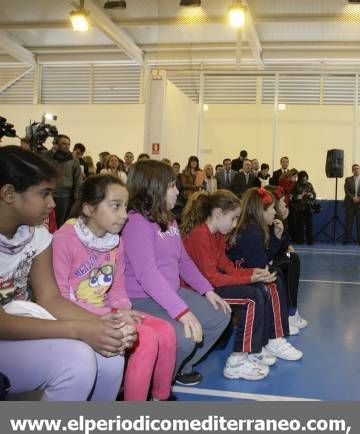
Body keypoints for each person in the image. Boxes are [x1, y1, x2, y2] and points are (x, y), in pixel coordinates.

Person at [0, 146, 131, 401]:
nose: (52, 204)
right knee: (77, 361)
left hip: (23, 324)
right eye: (44, 194)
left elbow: (50, 300)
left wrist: (105, 325)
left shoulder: (38, 236)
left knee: (111, 355)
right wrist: (80, 329)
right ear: (8, 194)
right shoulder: (59, 237)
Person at [52, 175, 176, 400]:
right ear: (89, 209)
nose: (124, 215)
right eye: (116, 206)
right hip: (76, 315)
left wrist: (122, 309)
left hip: (108, 311)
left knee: (166, 331)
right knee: (144, 338)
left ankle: (160, 398)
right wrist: (113, 315)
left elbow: (117, 289)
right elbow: (61, 297)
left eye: (126, 207)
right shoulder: (64, 239)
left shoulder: (115, 242)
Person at [122, 160, 231, 385]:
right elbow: (147, 274)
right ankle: (155, 380)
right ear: (154, 188)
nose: (178, 191)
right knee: (185, 336)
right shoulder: (136, 222)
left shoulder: (169, 219)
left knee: (220, 315)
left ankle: (179, 367)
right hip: (143, 299)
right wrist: (181, 311)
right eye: (172, 186)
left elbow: (183, 261)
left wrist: (207, 290)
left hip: (171, 292)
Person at [181, 190, 297, 380]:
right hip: (197, 292)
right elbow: (213, 279)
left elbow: (226, 266)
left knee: (259, 290)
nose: (235, 224)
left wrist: (253, 273)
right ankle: (236, 361)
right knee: (252, 297)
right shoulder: (200, 234)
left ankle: (253, 350)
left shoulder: (217, 234)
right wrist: (250, 278)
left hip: (210, 286)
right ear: (218, 214)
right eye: (233, 218)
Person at [227, 188, 304, 354]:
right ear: (260, 211)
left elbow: (276, 249)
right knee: (275, 280)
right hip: (244, 269)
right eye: (273, 208)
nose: (277, 211)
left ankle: (288, 316)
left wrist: (278, 236)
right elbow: (262, 261)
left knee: (289, 261)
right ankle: (276, 335)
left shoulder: (260, 226)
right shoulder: (252, 230)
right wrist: (277, 244)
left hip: (261, 261)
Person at [266, 186, 308, 331]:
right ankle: (291, 312)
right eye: (283, 202)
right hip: (268, 260)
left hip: (276, 256)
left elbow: (285, 243)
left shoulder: (277, 220)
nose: (285, 205)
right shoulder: (267, 221)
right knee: (292, 259)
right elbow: (272, 246)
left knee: (292, 257)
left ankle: (291, 311)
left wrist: (283, 221)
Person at [42, 134, 82, 228]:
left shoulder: (73, 160)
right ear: (56, 144)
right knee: (46, 220)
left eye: (68, 144)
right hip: (47, 193)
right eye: (64, 143)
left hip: (64, 196)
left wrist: (77, 195)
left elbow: (78, 178)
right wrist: (52, 153)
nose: (67, 146)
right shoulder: (46, 155)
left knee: (60, 221)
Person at [343, 163, 360, 246]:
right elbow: (346, 190)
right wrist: (353, 198)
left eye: (357, 168)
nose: (356, 170)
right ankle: (347, 239)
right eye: (354, 169)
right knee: (349, 223)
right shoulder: (348, 179)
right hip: (350, 204)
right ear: (352, 171)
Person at [292, 170, 316, 245]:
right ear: (300, 179)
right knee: (300, 225)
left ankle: (310, 241)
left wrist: (311, 195)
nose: (305, 181)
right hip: (299, 208)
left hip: (308, 207)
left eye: (306, 179)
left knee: (309, 225)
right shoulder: (296, 185)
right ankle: (300, 240)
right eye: (303, 179)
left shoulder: (309, 185)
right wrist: (300, 196)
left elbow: (314, 194)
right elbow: (293, 197)